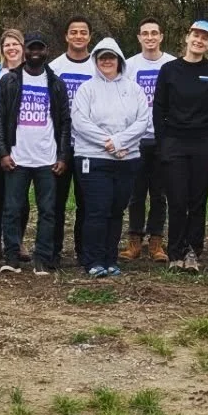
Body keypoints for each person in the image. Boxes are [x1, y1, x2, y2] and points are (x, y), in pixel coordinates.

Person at [69, 36, 152, 276]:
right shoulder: (87, 89)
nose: (107, 61)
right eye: (102, 57)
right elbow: (80, 122)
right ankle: (93, 260)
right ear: (95, 60)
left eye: (111, 57)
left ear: (119, 60)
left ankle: (110, 258)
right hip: (93, 159)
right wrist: (109, 144)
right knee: (97, 210)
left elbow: (142, 121)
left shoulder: (133, 88)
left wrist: (119, 143)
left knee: (116, 210)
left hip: (127, 160)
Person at [0, 32, 71, 275]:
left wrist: (62, 156)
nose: (35, 53)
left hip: (47, 158)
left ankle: (42, 258)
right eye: (31, 48)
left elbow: (65, 122)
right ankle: (12, 257)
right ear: (25, 51)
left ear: (47, 51)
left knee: (48, 211)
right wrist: (3, 152)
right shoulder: (10, 80)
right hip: (18, 157)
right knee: (12, 209)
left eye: (40, 48)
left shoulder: (56, 83)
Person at [154, 19, 208, 272]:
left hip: (203, 145)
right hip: (174, 143)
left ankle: (193, 252)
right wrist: (162, 143)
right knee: (177, 200)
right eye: (196, 35)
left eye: (205, 38)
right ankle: (175, 253)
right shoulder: (169, 69)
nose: (199, 40)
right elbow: (159, 108)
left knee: (197, 201)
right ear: (187, 37)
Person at [123, 19, 175, 262]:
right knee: (135, 193)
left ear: (161, 36)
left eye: (155, 33)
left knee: (159, 193)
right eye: (145, 33)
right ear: (139, 37)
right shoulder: (130, 65)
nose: (150, 37)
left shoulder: (172, 64)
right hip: (137, 139)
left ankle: (156, 242)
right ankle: (134, 241)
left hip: (163, 139)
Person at [49, 16, 95, 266]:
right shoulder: (55, 68)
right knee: (55, 202)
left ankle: (83, 251)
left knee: (86, 203)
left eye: (83, 32)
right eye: (73, 32)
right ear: (66, 36)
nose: (78, 36)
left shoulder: (97, 67)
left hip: (89, 146)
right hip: (60, 146)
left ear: (90, 37)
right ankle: (53, 252)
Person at [0, 29, 27, 261]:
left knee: (20, 195)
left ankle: (18, 241)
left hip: (25, 142)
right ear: (2, 49)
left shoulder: (33, 72)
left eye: (15, 44)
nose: (11, 48)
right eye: (7, 45)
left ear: (23, 46)